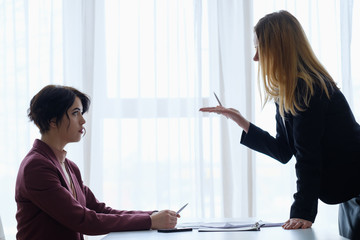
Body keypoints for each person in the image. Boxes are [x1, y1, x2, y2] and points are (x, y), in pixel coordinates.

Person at [200, 10, 360, 239]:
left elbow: (308, 157)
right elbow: (284, 151)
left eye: (259, 48)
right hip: (348, 193)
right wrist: (241, 122)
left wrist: (302, 212)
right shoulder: (287, 92)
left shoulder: (309, 89)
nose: (255, 58)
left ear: (279, 49)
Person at [15, 85, 179, 240]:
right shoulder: (36, 167)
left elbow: (100, 210)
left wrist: (152, 215)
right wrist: (150, 221)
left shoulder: (69, 166)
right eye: (75, 113)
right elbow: (83, 220)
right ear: (52, 120)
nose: (82, 121)